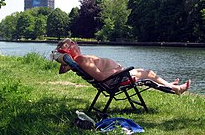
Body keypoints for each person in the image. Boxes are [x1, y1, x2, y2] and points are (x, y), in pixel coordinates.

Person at [55, 38, 191, 95]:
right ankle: (176, 88)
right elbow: (101, 77)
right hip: (114, 80)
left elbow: (62, 69)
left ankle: (168, 85)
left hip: (116, 77)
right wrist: (117, 69)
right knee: (148, 74)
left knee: (148, 74)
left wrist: (64, 58)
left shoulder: (76, 62)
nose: (77, 44)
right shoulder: (81, 60)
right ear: (71, 49)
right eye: (73, 44)